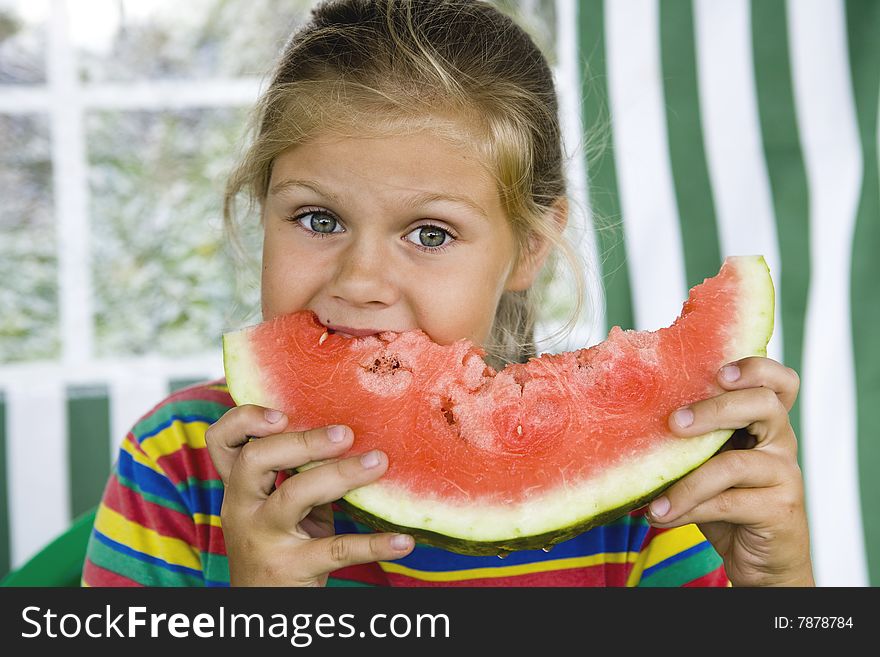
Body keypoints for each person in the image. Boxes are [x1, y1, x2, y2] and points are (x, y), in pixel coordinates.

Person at [81, 0, 813, 587]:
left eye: (429, 233)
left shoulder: (648, 500)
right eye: (318, 218)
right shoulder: (176, 464)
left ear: (528, 245)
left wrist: (776, 587)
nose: (360, 280)